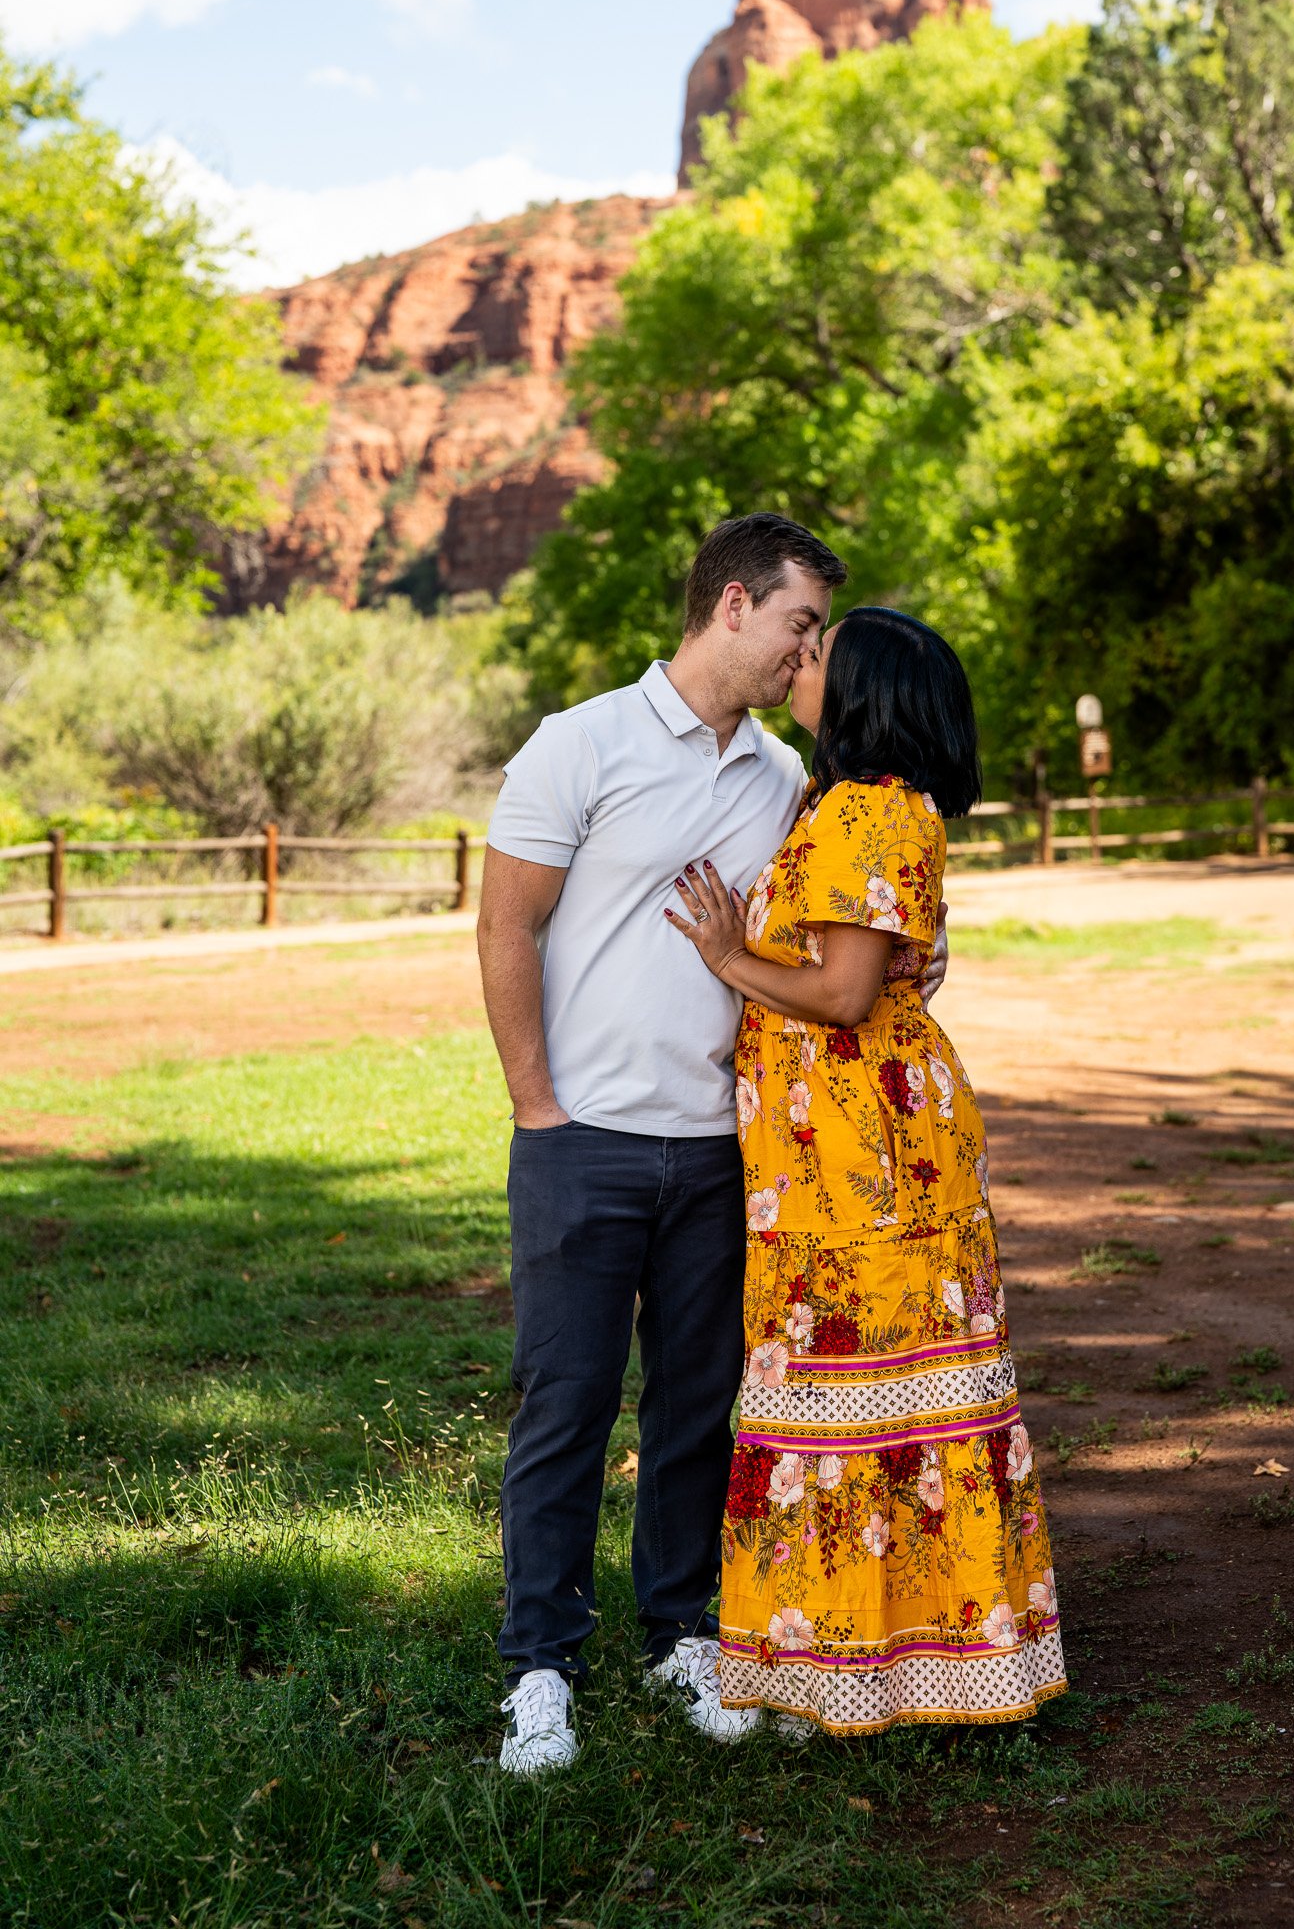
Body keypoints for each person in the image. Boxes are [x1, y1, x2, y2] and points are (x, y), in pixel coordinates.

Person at [479, 514, 947, 1774]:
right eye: (799, 622)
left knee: (698, 1408)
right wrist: (537, 1105)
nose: (810, 653)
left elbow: (846, 931)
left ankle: (681, 1629)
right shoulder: (579, 742)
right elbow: (505, 927)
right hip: (582, 1138)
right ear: (732, 603)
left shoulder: (792, 785)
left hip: (729, 1150)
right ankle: (539, 1665)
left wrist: (919, 957)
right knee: (566, 1405)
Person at [666, 607, 1065, 1736]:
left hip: (858, 1158)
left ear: (865, 694)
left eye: (818, 653)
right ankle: (871, 1672)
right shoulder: (869, 806)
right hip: (845, 1144)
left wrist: (725, 956)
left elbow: (842, 991)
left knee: (849, 1398)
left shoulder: (863, 809)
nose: (798, 661)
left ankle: (839, 1674)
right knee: (876, 1404)